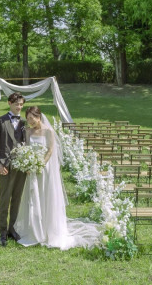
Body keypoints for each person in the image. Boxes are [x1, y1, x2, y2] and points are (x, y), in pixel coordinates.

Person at [14, 106, 100, 250]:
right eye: (28, 119)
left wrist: (40, 164)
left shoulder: (48, 131)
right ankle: (35, 230)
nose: (30, 121)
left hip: (44, 169)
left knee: (46, 196)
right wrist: (28, 165)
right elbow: (27, 148)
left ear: (39, 117)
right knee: (34, 198)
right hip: (32, 170)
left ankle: (49, 230)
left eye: (32, 118)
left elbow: (50, 150)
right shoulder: (28, 131)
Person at [0, 92, 27, 246]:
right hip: (5, 166)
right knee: (5, 200)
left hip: (21, 167)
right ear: (9, 103)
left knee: (17, 200)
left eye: (21, 104)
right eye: (16, 104)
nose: (19, 107)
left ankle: (13, 229)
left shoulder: (24, 122)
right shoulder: (0, 121)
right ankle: (3, 233)